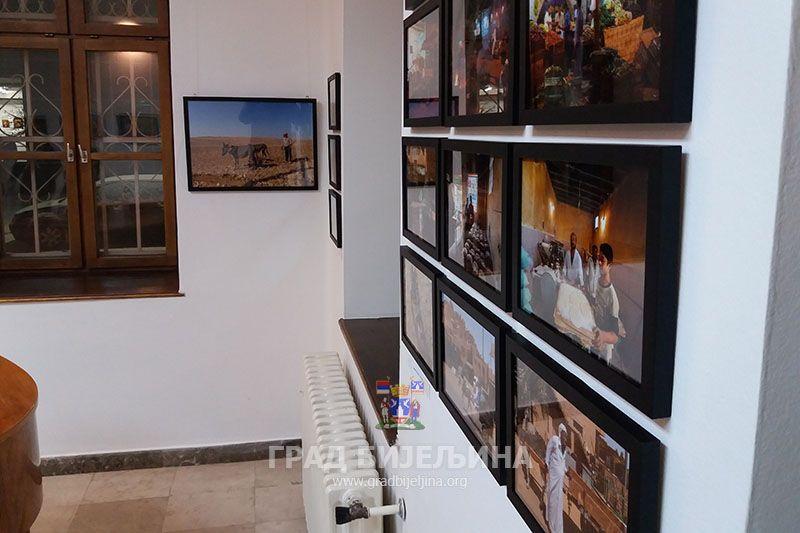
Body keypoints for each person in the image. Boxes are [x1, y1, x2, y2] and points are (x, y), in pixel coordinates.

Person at [591, 243, 625, 365]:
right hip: (597, 327)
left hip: (608, 337)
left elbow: (615, 336)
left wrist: (603, 336)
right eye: (598, 259)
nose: (599, 263)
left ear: (609, 265)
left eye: (602, 260)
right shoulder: (598, 283)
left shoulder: (612, 297)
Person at [545, 423, 569, 533]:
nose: (565, 436)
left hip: (560, 479)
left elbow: (563, 462)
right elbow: (548, 451)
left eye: (566, 434)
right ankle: (550, 523)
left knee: (559, 502)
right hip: (553, 474)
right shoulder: (555, 439)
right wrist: (547, 463)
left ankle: (557, 529)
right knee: (552, 497)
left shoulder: (565, 447)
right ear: (560, 432)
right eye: (563, 433)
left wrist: (566, 472)